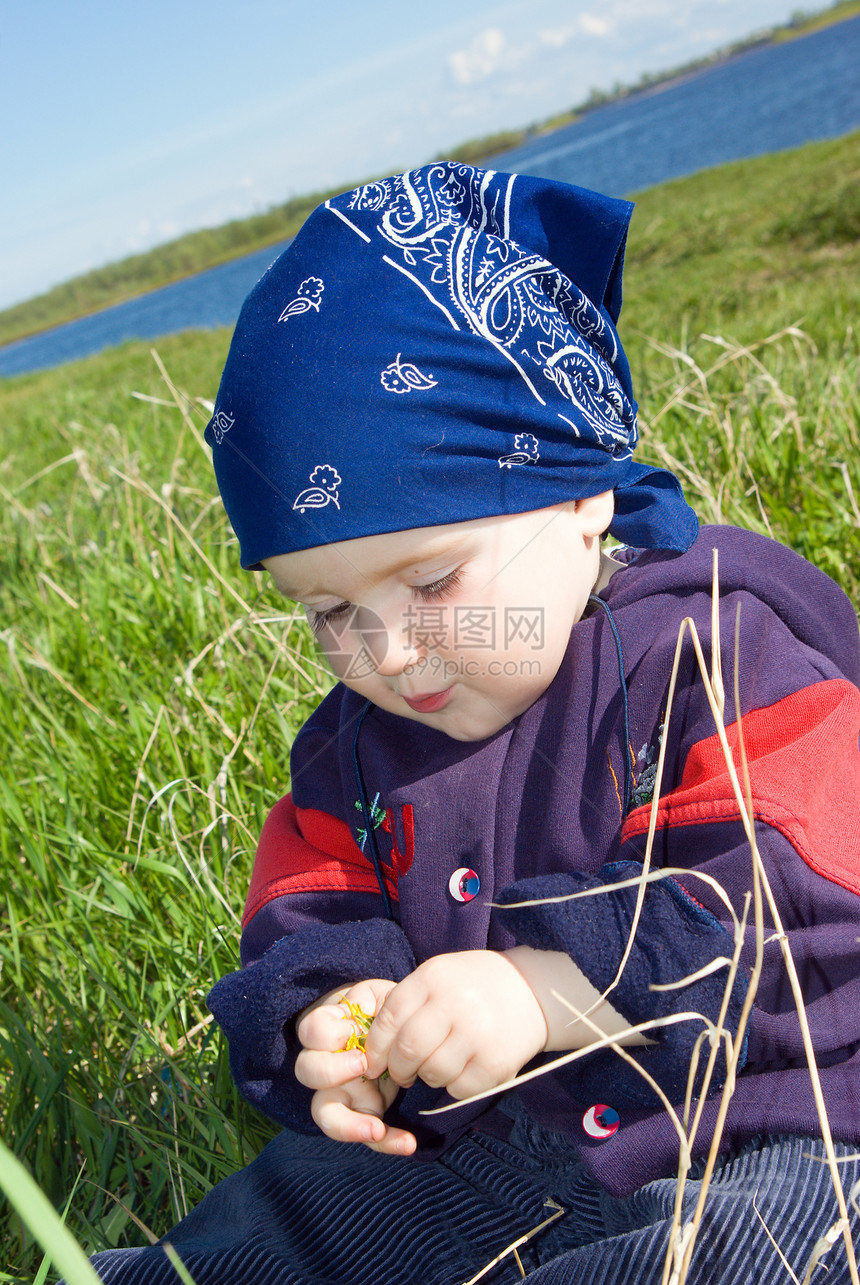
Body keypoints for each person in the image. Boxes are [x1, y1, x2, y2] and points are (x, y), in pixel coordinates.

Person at [88, 163, 860, 1284]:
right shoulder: (351, 749)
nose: (387, 652)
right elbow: (310, 906)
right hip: (494, 1150)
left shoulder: (714, 655)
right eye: (329, 611)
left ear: (578, 497)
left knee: (758, 1254)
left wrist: (549, 986)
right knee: (259, 1241)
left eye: (434, 581)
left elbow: (800, 890)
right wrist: (333, 1013)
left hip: (774, 1132)